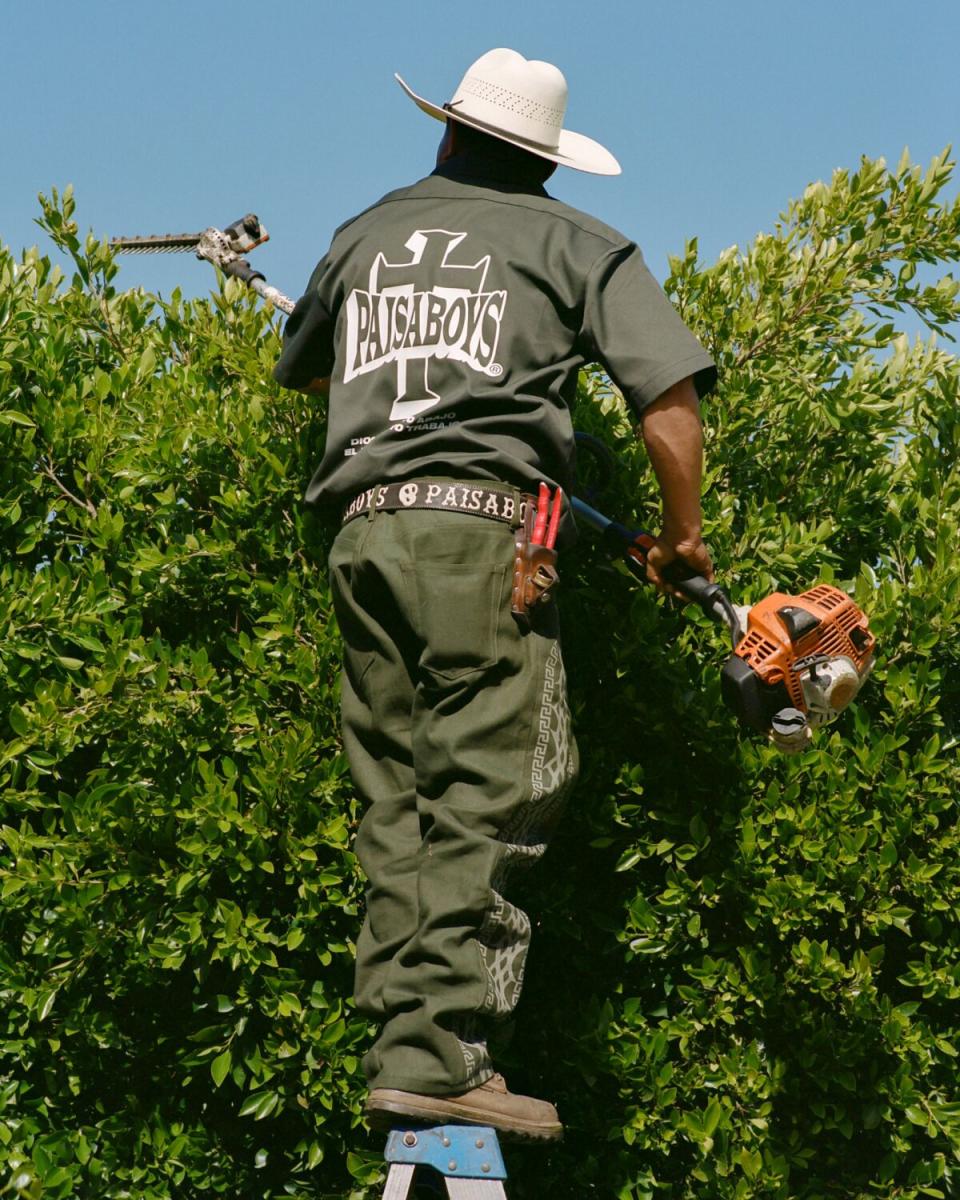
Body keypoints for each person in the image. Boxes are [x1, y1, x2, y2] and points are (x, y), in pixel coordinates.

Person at [273, 47, 716, 1142]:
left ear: (448, 131)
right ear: (542, 159)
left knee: (400, 796)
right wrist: (683, 538)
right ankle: (452, 1058)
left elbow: (311, 369)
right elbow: (667, 401)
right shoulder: (574, 241)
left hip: (367, 538)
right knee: (500, 780)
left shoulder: (362, 234)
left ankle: (402, 1048)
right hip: (486, 540)